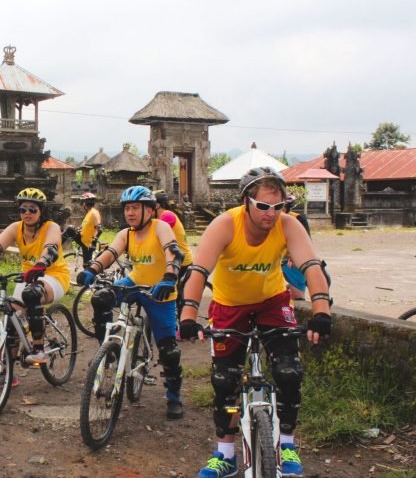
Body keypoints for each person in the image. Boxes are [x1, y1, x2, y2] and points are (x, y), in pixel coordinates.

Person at [178, 166, 333, 478]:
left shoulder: (288, 225)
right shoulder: (225, 225)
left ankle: (286, 444)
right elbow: (198, 271)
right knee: (225, 381)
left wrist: (321, 312)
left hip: (272, 302)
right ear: (246, 202)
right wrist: (188, 316)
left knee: (289, 371)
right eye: (263, 206)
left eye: (278, 207)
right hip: (229, 305)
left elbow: (312, 267)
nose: (271, 214)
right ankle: (225, 453)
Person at [76, 186, 186, 420]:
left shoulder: (161, 227)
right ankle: (108, 351)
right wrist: (92, 269)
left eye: (136, 208)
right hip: (134, 283)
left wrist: (169, 277)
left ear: (149, 209)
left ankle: (174, 397)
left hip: (160, 291)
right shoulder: (126, 233)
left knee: (168, 350)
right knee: (101, 298)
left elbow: (173, 252)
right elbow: (111, 253)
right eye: (127, 208)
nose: (130, 213)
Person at [0, 188, 70, 377]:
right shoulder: (15, 228)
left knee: (32, 294)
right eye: (23, 209)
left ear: (41, 211)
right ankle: (6, 375)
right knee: (11, 320)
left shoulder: (51, 227)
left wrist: (40, 265)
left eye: (32, 209)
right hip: (28, 277)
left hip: (54, 275)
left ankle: (37, 348)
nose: (27, 213)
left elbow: (51, 249)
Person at [153, 189, 194, 320]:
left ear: (157, 204)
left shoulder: (167, 216)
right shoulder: (160, 217)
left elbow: (156, 235)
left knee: (174, 293)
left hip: (182, 261)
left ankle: (181, 324)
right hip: (174, 258)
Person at [282, 194, 312, 301]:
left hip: (290, 259)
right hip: (271, 259)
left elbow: (306, 243)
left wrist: (296, 257)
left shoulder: (298, 219)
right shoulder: (264, 220)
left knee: (298, 297)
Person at [62, 192, 102, 265]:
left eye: (83, 202)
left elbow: (99, 229)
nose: (82, 204)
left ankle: (55, 245)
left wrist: (93, 243)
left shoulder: (94, 213)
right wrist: (79, 229)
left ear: (85, 203)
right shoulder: (89, 213)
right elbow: (85, 226)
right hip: (83, 240)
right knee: (70, 229)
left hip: (88, 244)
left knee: (87, 265)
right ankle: (56, 245)